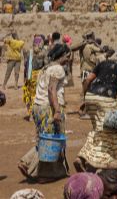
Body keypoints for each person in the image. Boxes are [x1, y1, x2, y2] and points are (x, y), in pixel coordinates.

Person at [18, 43, 72, 182]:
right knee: (52, 140)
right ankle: (43, 173)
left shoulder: (46, 68)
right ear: (61, 55)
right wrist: (57, 111)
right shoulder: (57, 69)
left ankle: (27, 162)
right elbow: (51, 89)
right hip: (48, 107)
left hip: (38, 107)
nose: (69, 58)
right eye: (67, 55)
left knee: (45, 138)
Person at [75, 47, 117, 173]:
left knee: (98, 130)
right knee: (110, 131)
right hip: (106, 99)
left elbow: (87, 80)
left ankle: (83, 158)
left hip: (91, 96)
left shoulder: (103, 63)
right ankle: (99, 163)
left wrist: (85, 99)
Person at [22, 36, 48, 116]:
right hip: (39, 76)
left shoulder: (29, 52)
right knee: (39, 95)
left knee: (30, 95)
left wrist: (25, 77)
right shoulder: (44, 52)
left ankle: (31, 114)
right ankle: (38, 113)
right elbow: (46, 65)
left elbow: (25, 65)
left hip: (30, 76)